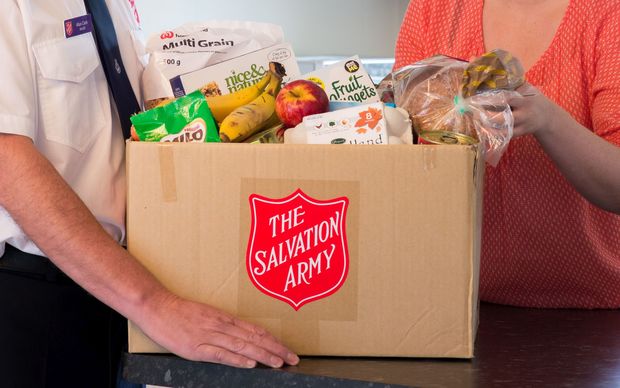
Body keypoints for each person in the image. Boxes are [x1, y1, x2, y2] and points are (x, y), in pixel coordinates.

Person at [0, 1, 298, 387]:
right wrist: (154, 304)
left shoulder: (116, 6)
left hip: (120, 292)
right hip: (40, 300)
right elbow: (7, 161)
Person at [394, 0, 620, 308]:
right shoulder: (432, 8)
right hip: (453, 299)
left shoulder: (608, 13)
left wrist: (547, 119)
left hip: (593, 309)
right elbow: (399, 143)